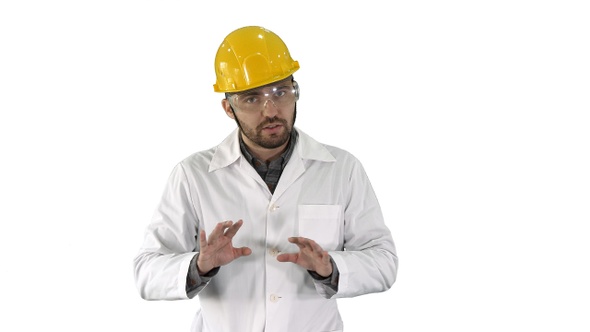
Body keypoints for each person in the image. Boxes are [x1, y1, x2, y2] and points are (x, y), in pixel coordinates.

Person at [133, 25, 398, 332]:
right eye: (251, 98)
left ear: (296, 91)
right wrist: (200, 266)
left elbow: (384, 261)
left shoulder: (342, 169)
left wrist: (331, 268)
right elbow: (147, 271)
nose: (271, 110)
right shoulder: (193, 175)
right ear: (228, 108)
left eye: (280, 92)